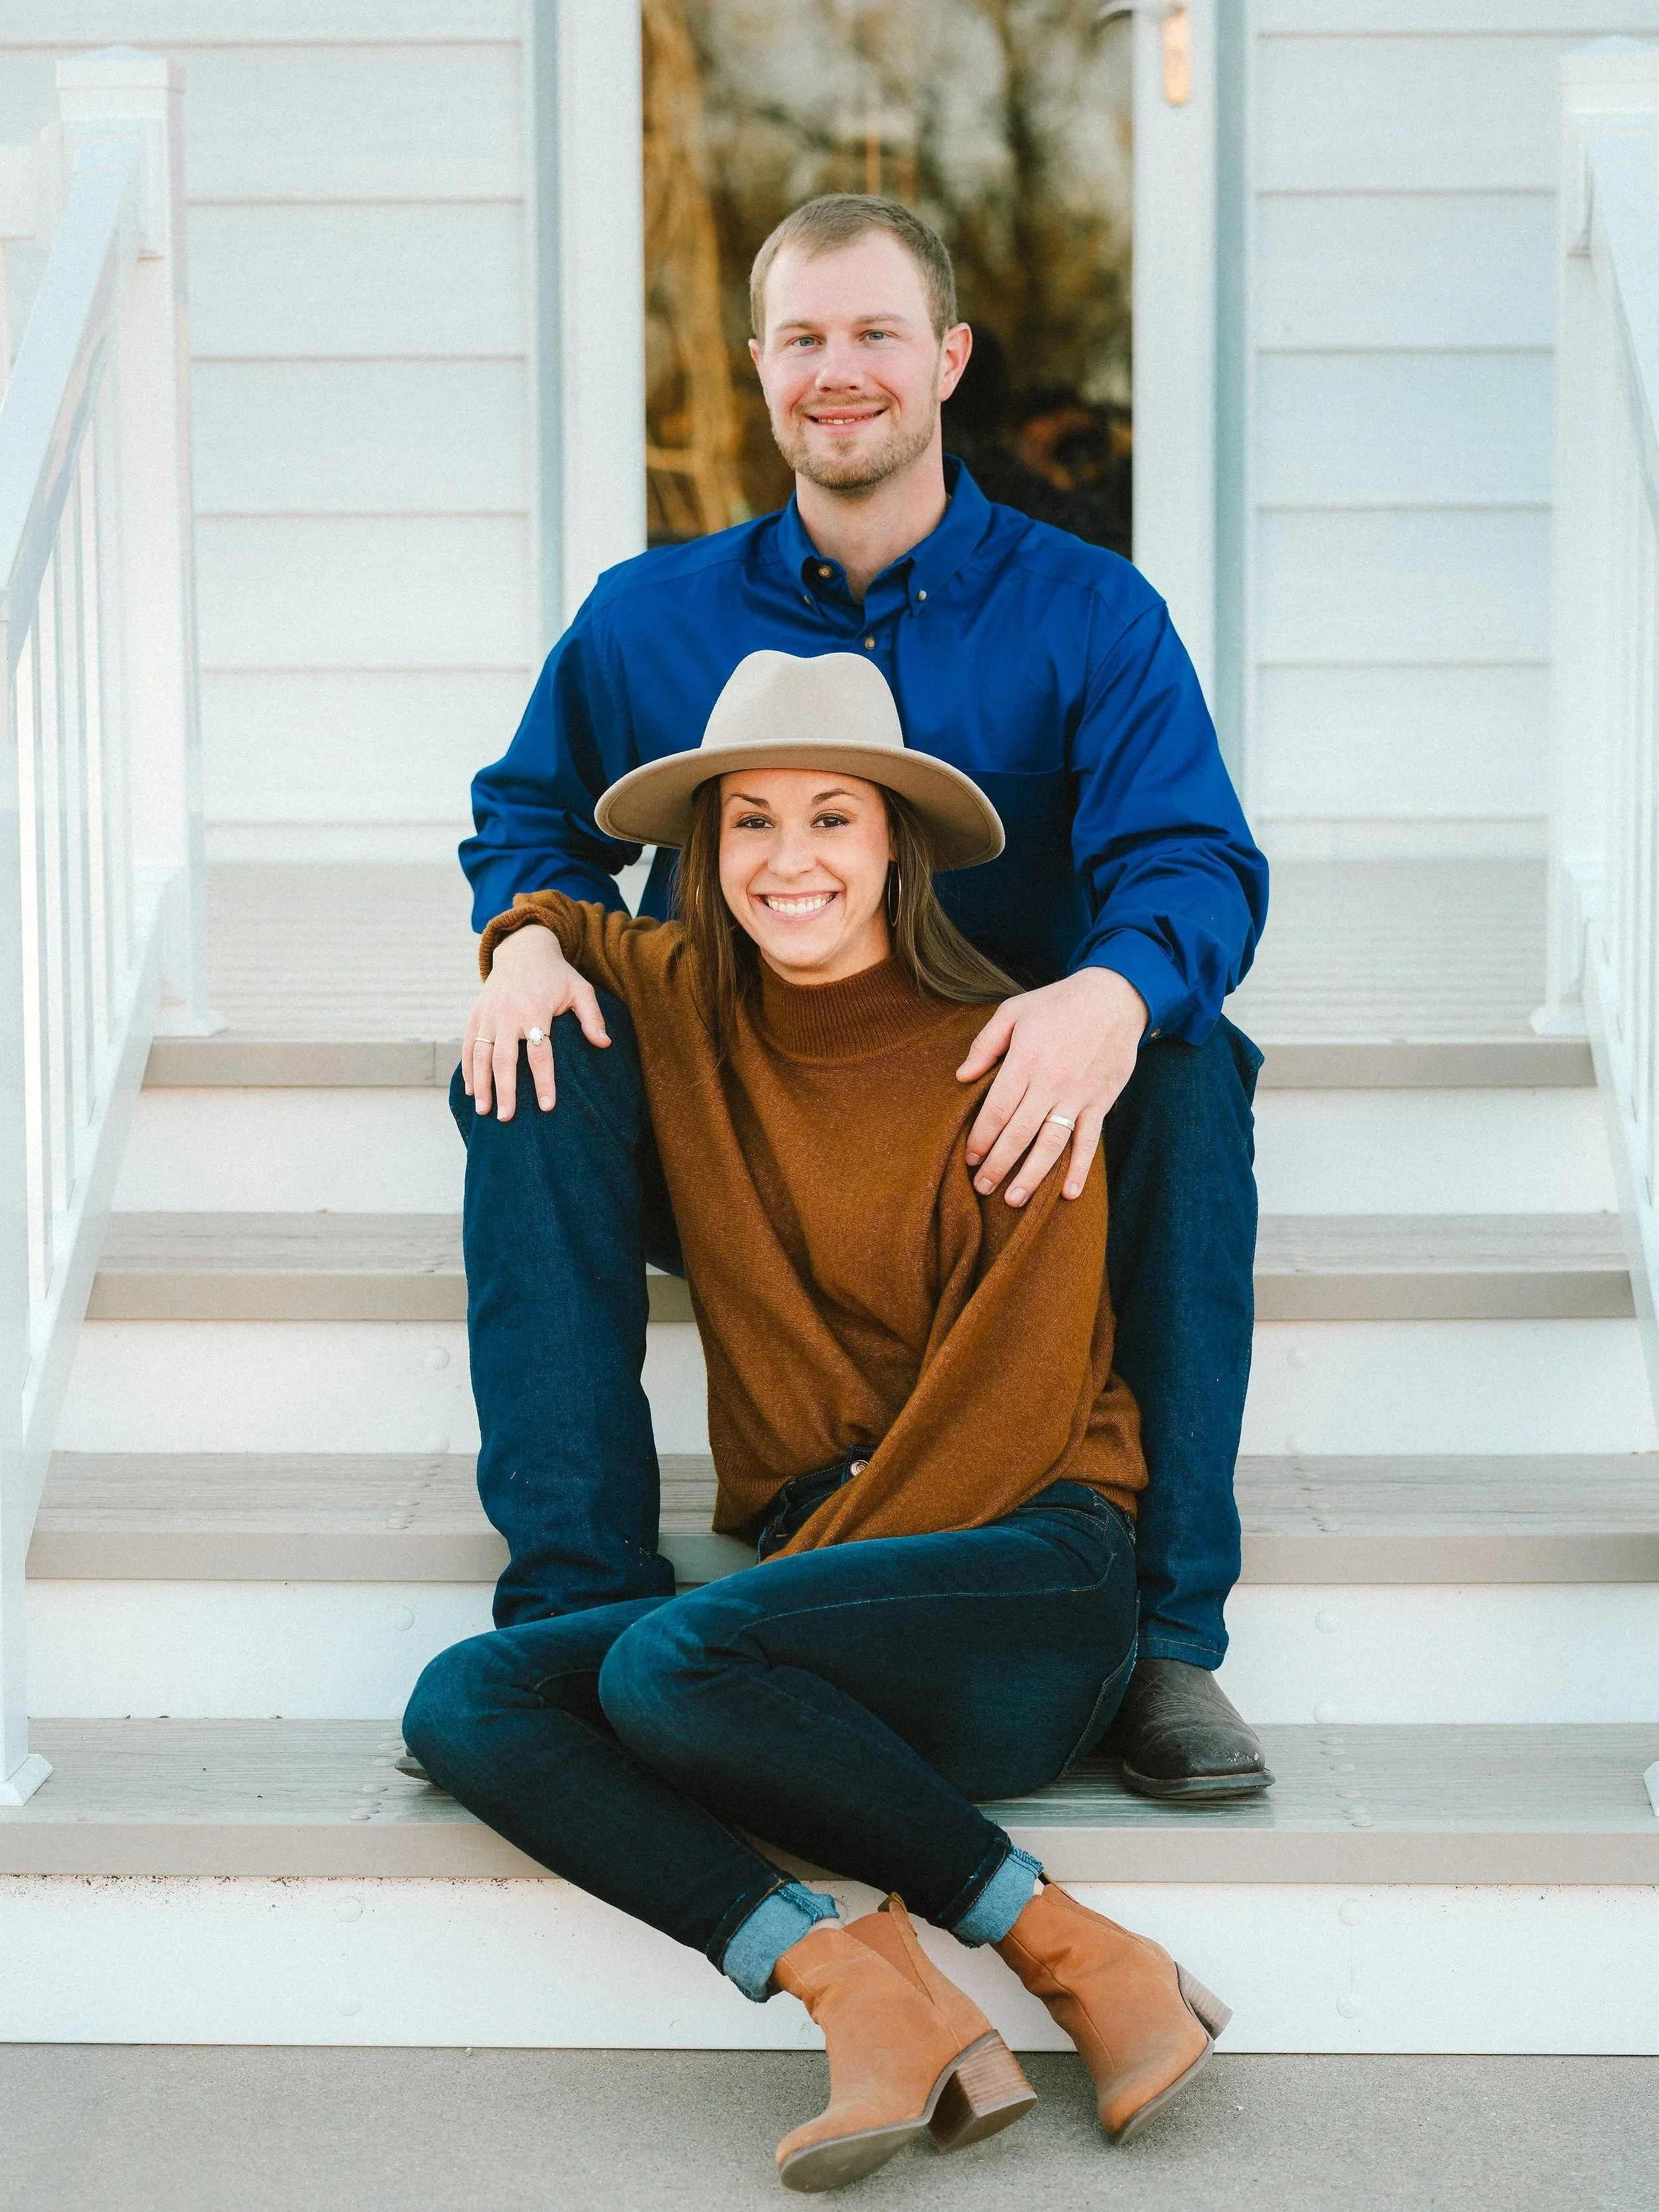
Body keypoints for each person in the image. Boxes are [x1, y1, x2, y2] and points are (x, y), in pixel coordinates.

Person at [461, 192, 1271, 1799]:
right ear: (759, 366)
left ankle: (1164, 1640)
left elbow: (1191, 858)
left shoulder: (1088, 614)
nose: (840, 371)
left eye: (876, 334)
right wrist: (529, 938)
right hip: (745, 1117)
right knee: (525, 1055)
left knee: (1187, 1070)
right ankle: (578, 1603)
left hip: (1005, 1132)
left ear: (948, 358)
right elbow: (532, 819)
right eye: (804, 339)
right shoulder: (649, 616)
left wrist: (1108, 994)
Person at [407, 650, 1231, 2191]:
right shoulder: (679, 997)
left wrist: (778, 1612)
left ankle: (1078, 1952)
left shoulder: (1009, 1055)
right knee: (467, 1700)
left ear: (894, 846)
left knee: (670, 1654)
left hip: (1025, 1574)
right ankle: (858, 1981)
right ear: (703, 856)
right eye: (748, 825)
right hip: (812, 1618)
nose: (789, 863)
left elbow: (1015, 1402)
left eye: (833, 820)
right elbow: (548, 913)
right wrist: (517, 951)